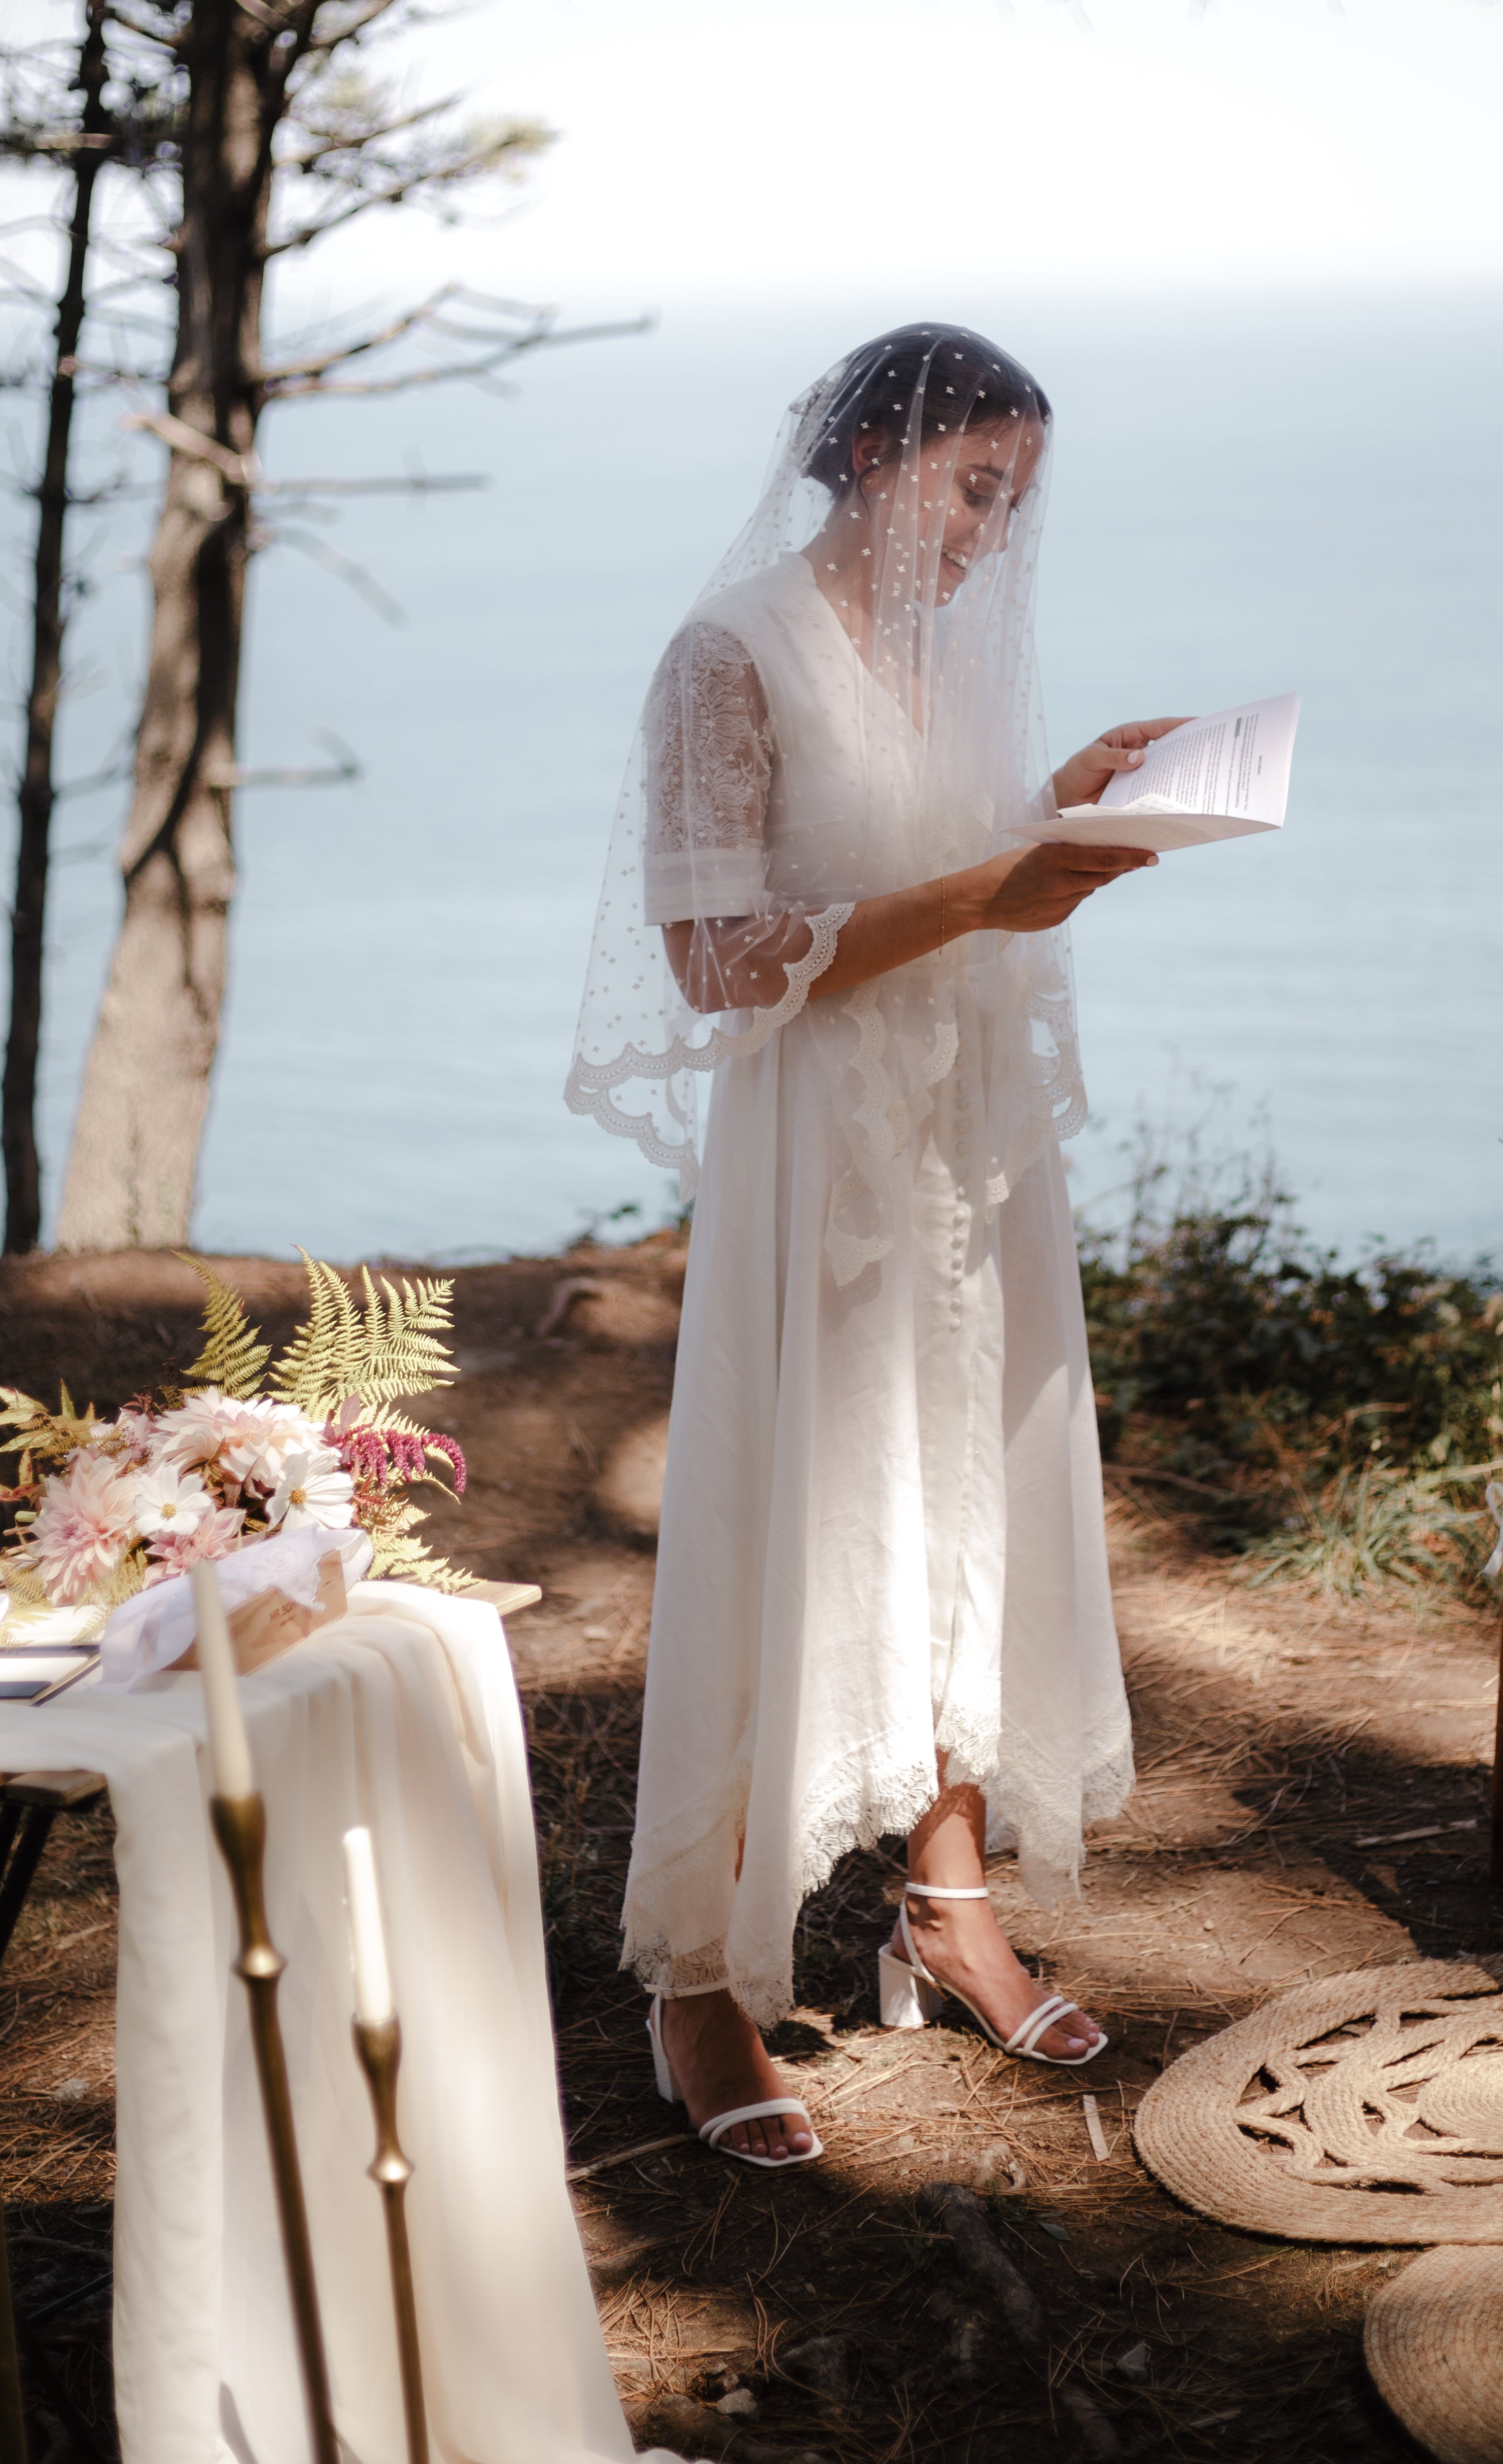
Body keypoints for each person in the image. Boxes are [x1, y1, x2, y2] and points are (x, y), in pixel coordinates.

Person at [567, 324, 1183, 2166]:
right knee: (799, 1519)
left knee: (971, 1507)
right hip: (821, 1157)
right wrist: (999, 886)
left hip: (966, 1153)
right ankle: (699, 1975)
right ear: (867, 455)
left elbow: (948, 870)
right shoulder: (730, 654)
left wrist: (1054, 807)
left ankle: (947, 1898)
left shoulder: (941, 658)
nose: (994, 535)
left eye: (1019, 501)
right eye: (974, 487)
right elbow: (714, 956)